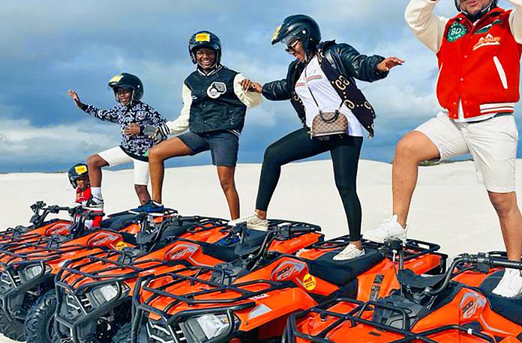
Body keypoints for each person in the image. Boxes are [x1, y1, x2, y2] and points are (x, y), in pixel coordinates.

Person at [365, 0, 522, 296]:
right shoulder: (448, 28)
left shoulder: (512, 24)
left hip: (493, 124)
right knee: (406, 148)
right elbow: (414, 17)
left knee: (502, 201)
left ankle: (514, 269)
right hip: (452, 120)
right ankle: (397, 225)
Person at [231, 14, 403, 260]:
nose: (289, 50)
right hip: (318, 129)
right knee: (272, 154)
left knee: (345, 186)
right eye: (286, 46)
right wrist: (261, 88)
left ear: (305, 36)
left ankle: (356, 244)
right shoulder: (297, 68)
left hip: (345, 129)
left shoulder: (334, 53)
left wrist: (379, 66)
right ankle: (259, 217)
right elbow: (286, 88)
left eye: (291, 43)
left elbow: (359, 63)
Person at [137, 31, 262, 219]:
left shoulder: (233, 77)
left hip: (224, 134)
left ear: (217, 53)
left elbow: (253, 102)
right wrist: (165, 129)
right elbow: (187, 114)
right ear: (193, 55)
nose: (205, 57)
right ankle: (156, 204)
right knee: (155, 153)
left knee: (226, 182)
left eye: (209, 52)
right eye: (200, 53)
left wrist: (252, 89)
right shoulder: (190, 81)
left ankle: (235, 223)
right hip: (199, 134)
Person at [69, 73, 167, 211]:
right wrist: (82, 106)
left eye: (126, 92)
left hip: (143, 155)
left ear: (135, 92)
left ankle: (151, 218)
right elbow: (103, 114)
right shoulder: (119, 109)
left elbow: (164, 129)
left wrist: (141, 129)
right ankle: (96, 199)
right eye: (119, 92)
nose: (122, 95)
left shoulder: (146, 109)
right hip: (126, 149)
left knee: (140, 188)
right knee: (93, 161)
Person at [66, 162, 101, 227]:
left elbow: (96, 205)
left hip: (90, 221)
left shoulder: (92, 190)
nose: (82, 182)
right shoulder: (79, 190)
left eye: (84, 179)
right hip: (80, 219)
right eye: (79, 179)